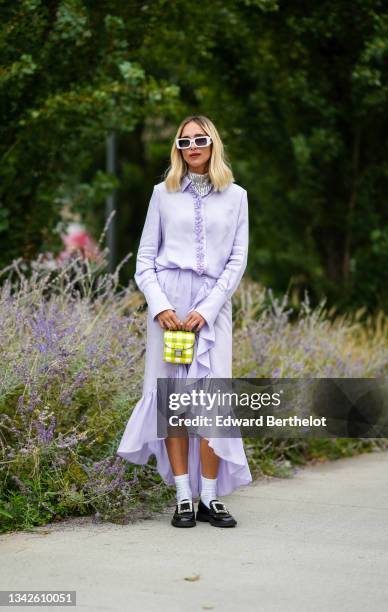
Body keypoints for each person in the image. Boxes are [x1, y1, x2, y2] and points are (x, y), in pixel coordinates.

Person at [117, 114, 252, 528]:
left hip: (212, 308)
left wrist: (206, 310)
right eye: (183, 141)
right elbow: (144, 260)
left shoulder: (237, 196)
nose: (191, 146)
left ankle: (210, 498)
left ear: (213, 143)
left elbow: (236, 260)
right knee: (173, 403)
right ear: (177, 149)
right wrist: (160, 307)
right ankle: (182, 498)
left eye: (199, 139)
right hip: (169, 308)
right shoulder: (163, 193)